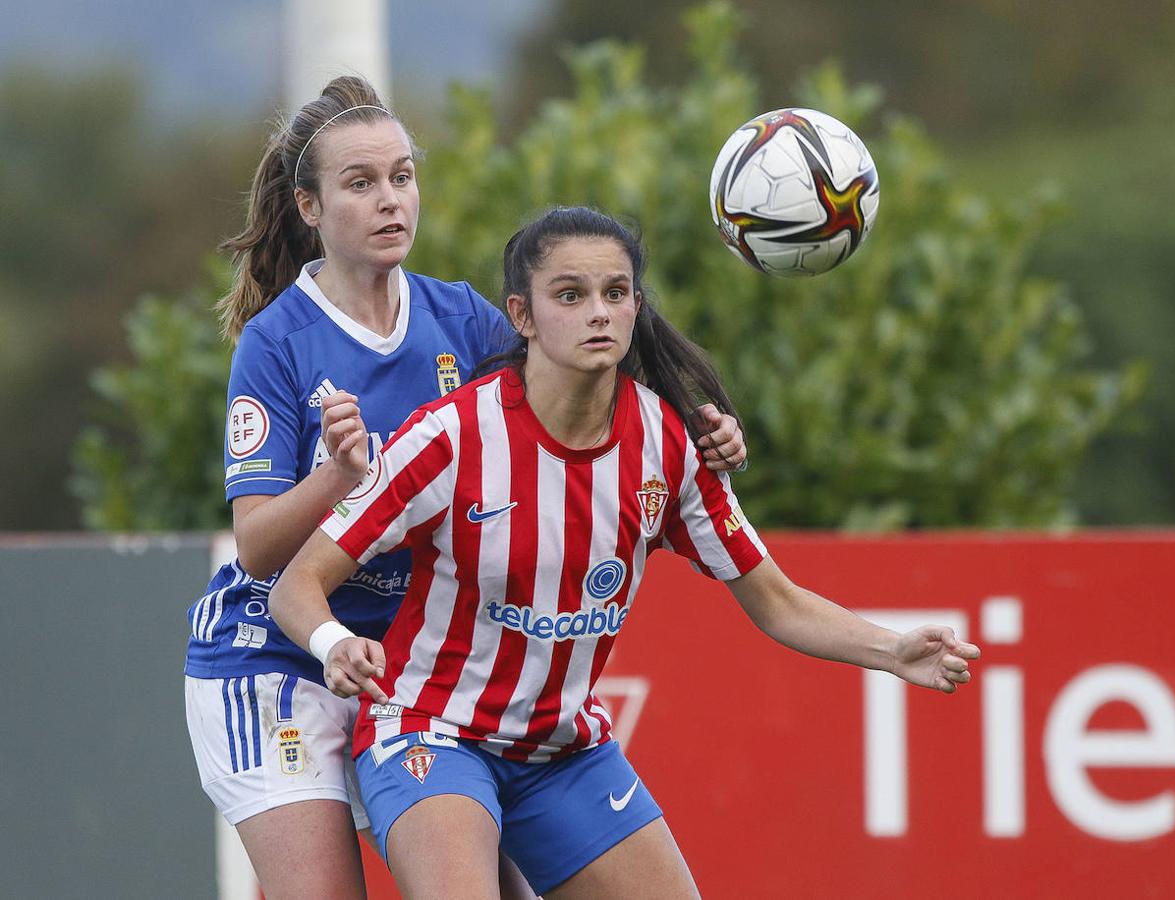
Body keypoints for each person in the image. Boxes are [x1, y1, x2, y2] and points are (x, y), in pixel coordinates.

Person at [268, 206, 981, 898]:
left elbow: (778, 602)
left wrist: (893, 652)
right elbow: (295, 585)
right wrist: (333, 643)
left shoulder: (668, 444)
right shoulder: (451, 437)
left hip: (562, 754)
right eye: (570, 296)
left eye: (615, 294)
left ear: (637, 306)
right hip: (432, 734)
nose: (598, 312)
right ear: (521, 316)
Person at [182, 80, 747, 900]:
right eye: (361, 183)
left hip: (409, 679)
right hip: (280, 661)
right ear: (309, 206)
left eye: (403, 177)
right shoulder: (278, 344)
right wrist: (338, 477)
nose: (391, 201)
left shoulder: (462, 318)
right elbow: (263, 549)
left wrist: (699, 424)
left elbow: (582, 372)